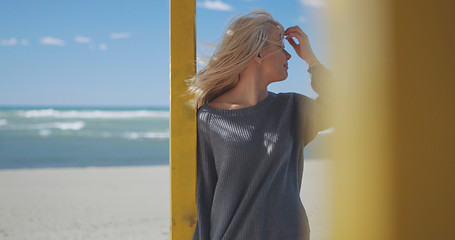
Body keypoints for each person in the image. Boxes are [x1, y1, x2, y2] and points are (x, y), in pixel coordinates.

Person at [186, 10, 332, 240]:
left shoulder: (291, 109)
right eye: (280, 46)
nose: (289, 55)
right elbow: (205, 197)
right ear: (259, 54)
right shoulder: (209, 119)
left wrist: (312, 60)